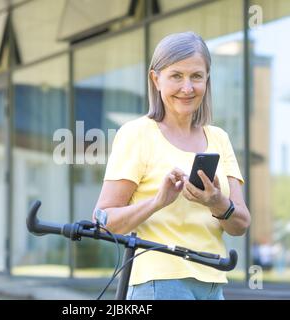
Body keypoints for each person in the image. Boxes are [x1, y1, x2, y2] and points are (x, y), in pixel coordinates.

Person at [93, 31, 251, 300]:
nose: (187, 88)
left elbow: (241, 224)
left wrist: (215, 201)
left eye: (196, 76)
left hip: (213, 281)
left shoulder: (219, 138)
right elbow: (102, 220)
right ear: (156, 79)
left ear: (207, 79)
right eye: (176, 76)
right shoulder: (137, 134)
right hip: (160, 282)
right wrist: (157, 201)